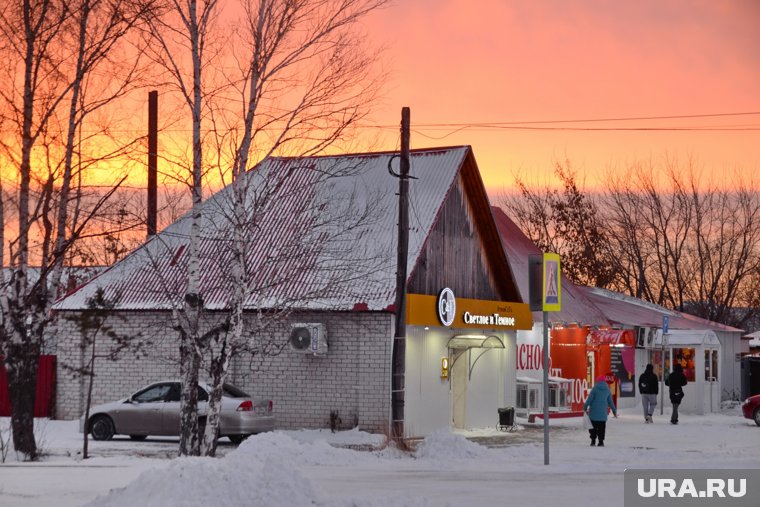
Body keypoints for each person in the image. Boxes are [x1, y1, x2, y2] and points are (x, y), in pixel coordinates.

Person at [583, 375, 618, 447]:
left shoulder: (595, 389)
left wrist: (585, 407)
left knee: (592, 428)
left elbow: (589, 400)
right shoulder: (607, 389)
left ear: (597, 381)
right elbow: (610, 402)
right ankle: (601, 442)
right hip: (603, 415)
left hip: (593, 414)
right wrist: (614, 410)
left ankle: (593, 441)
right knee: (602, 429)